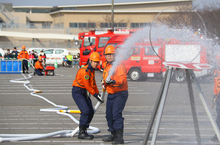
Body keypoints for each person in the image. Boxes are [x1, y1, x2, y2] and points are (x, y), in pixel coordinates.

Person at [72, 52, 104, 140]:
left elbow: (93, 84)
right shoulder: (84, 71)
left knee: (90, 111)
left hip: (84, 92)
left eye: (98, 62)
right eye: (95, 62)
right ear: (90, 61)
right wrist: (95, 95)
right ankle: (81, 132)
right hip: (78, 91)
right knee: (85, 111)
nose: (96, 64)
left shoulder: (91, 71)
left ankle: (84, 129)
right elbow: (87, 85)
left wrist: (98, 94)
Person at [102, 45, 128, 144]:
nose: (109, 56)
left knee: (116, 114)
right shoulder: (107, 65)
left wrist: (112, 81)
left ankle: (119, 137)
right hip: (111, 93)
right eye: (107, 55)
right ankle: (113, 134)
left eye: (111, 54)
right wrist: (104, 82)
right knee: (109, 115)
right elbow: (105, 77)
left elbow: (122, 80)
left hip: (120, 93)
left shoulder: (119, 65)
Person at [211, 67, 220, 142]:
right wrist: (215, 95)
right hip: (218, 96)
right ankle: (218, 134)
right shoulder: (216, 71)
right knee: (219, 117)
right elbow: (215, 84)